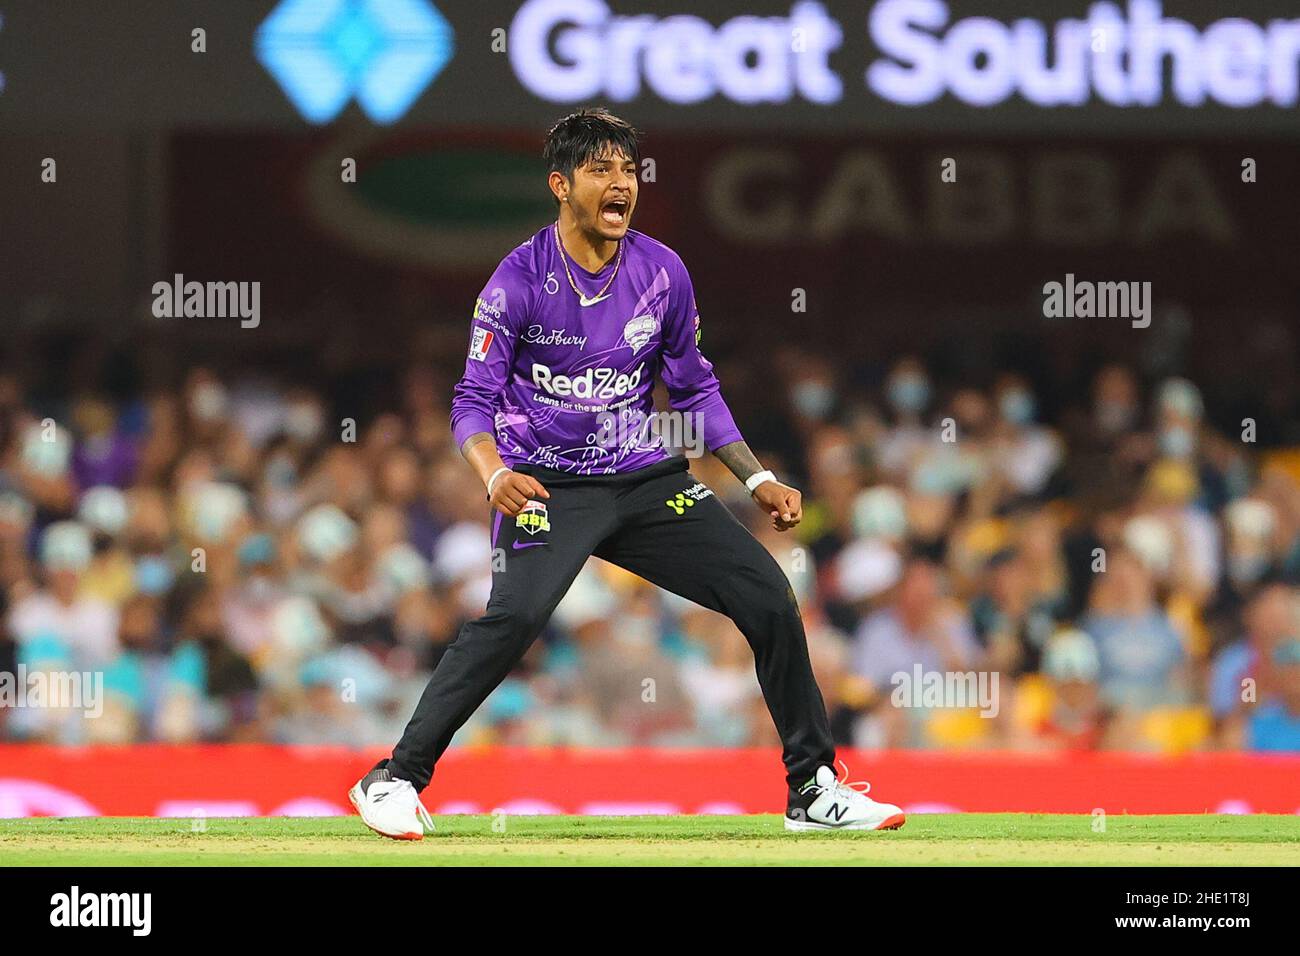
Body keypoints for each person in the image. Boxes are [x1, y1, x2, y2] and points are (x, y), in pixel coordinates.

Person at [349, 108, 903, 838]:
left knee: (768, 594)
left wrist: (757, 479)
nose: (621, 184)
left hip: (646, 482)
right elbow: (470, 402)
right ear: (560, 185)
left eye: (628, 170)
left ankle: (814, 787)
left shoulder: (661, 271)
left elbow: (695, 388)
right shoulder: (517, 281)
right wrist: (492, 474)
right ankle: (392, 778)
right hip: (548, 484)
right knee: (514, 619)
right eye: (600, 170)